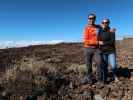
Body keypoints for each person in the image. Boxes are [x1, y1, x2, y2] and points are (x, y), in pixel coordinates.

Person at [82, 13, 103, 84]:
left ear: (95, 19)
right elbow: (86, 41)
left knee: (99, 62)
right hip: (88, 49)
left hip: (97, 49)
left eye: (93, 18)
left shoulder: (98, 27)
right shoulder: (86, 28)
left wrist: (111, 30)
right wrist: (97, 42)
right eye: (90, 18)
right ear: (88, 19)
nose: (91, 19)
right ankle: (89, 79)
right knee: (88, 65)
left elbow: (105, 29)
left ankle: (99, 79)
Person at [98, 18, 117, 82]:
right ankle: (105, 77)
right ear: (102, 23)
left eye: (106, 22)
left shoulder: (111, 31)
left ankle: (114, 75)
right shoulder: (100, 31)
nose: (104, 24)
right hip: (103, 51)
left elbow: (112, 41)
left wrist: (103, 43)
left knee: (113, 66)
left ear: (108, 23)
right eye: (103, 22)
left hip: (111, 51)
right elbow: (98, 39)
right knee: (105, 66)